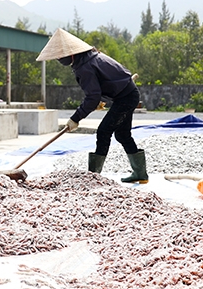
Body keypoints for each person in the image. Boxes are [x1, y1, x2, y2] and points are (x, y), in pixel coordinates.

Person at [37, 28, 147, 183]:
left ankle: (94, 177)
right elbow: (105, 84)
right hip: (126, 94)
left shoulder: (85, 66)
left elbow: (92, 96)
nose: (59, 59)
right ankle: (140, 174)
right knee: (122, 134)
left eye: (61, 56)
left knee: (103, 131)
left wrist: (76, 118)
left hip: (126, 98)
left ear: (71, 53)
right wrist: (100, 100)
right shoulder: (91, 57)